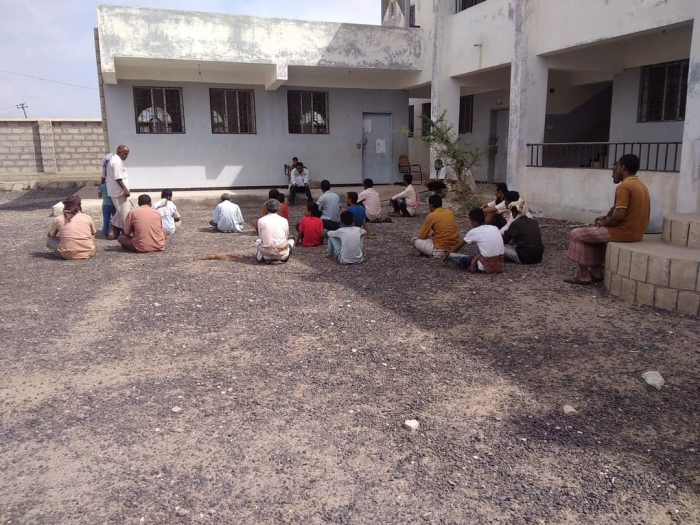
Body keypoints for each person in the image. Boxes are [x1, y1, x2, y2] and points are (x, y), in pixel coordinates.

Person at [565, 154, 650, 285]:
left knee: (576, 234)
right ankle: (596, 271)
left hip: (624, 232)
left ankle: (584, 275)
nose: (614, 169)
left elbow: (619, 216)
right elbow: (622, 211)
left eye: (617, 166)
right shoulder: (641, 185)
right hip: (637, 233)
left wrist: (605, 223)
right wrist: (605, 219)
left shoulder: (624, 187)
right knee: (594, 233)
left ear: (623, 167)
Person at [443, 208, 505, 274]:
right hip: (499, 265)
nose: (470, 223)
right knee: (478, 255)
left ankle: (476, 266)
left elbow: (459, 246)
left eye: (470, 221)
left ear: (475, 222)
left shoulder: (474, 231)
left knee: (452, 256)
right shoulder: (494, 228)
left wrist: (447, 255)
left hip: (484, 266)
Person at [46, 195, 97, 260]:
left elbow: (51, 235)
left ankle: (59, 253)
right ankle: (85, 248)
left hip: (67, 254)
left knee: (49, 239)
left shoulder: (58, 219)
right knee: (91, 236)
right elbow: (93, 232)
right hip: (88, 252)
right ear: (79, 205)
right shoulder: (87, 217)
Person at [411, 194, 460, 259]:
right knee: (431, 238)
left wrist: (428, 236)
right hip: (454, 248)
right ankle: (424, 251)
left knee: (414, 240)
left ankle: (423, 252)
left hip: (440, 251)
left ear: (431, 205)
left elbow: (421, 236)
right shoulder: (449, 212)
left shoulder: (431, 215)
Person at [502, 200, 544, 264]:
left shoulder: (516, 224)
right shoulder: (534, 222)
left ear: (514, 213)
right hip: (538, 257)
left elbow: (504, 240)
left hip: (524, 258)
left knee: (501, 247)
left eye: (512, 212)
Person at [105, 145, 131, 237]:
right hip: (119, 192)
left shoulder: (114, 159)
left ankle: (113, 230)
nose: (126, 156)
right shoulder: (116, 162)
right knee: (124, 214)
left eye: (127, 154)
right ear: (119, 152)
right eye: (125, 154)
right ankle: (125, 233)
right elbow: (118, 178)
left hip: (117, 191)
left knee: (121, 212)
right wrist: (125, 189)